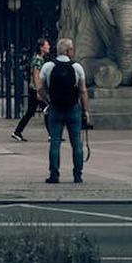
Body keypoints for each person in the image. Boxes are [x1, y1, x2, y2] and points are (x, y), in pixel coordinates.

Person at [40, 36, 89, 183]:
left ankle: (54, 174)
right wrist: (85, 110)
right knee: (76, 143)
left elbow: (41, 89)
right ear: (68, 51)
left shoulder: (48, 66)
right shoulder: (77, 67)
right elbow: (83, 90)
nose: (73, 51)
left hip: (55, 108)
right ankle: (77, 175)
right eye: (72, 49)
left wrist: (48, 101)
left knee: (55, 142)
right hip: (73, 108)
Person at [12, 36, 49, 141]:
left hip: (34, 88)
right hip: (36, 89)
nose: (49, 46)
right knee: (47, 110)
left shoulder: (38, 58)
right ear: (41, 47)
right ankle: (52, 134)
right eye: (47, 45)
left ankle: (17, 131)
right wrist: (39, 91)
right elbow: (36, 75)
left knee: (31, 112)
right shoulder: (38, 59)